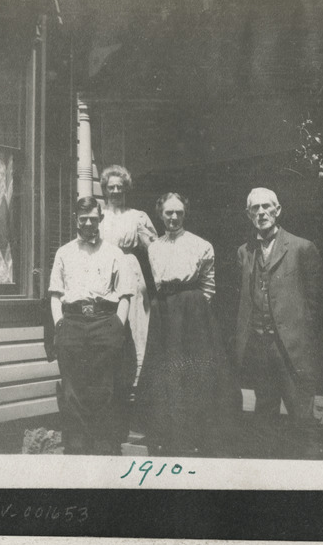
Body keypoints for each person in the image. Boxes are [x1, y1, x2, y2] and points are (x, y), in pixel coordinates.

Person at [234, 188, 323, 457]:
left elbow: (316, 303)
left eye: (267, 207)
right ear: (248, 214)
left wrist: (300, 336)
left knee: (301, 418)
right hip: (259, 347)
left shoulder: (302, 247)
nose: (261, 212)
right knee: (263, 417)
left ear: (278, 210)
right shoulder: (244, 251)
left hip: (292, 349)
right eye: (255, 208)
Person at [48, 194, 144, 454]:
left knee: (105, 387)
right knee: (73, 387)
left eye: (93, 219)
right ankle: (77, 445)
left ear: (100, 219)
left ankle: (105, 445)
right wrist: (59, 324)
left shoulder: (114, 253)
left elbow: (125, 294)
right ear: (75, 220)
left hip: (105, 322)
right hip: (72, 322)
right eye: (83, 219)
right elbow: (55, 293)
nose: (88, 224)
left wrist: (116, 326)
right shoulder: (64, 252)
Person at [136, 191, 230, 455]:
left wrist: (194, 311)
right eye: (168, 213)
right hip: (164, 310)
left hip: (192, 313)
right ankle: (167, 432)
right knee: (164, 370)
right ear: (161, 214)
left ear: (185, 213)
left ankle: (195, 433)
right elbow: (156, 282)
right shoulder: (154, 247)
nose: (174, 217)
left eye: (179, 212)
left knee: (193, 370)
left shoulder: (202, 245)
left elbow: (208, 288)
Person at [95, 165, 159, 386]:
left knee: (135, 324)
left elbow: (155, 250)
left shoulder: (137, 217)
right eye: (111, 187)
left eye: (119, 187)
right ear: (104, 189)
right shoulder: (98, 216)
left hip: (130, 271)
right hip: (104, 272)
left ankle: (136, 384)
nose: (115, 191)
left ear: (126, 189)